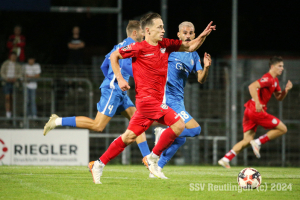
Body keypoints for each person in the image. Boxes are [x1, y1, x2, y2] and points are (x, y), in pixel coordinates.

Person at [88, 13, 216, 184]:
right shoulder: (138, 47)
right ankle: (152, 158)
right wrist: (119, 78)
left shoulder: (165, 45)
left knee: (128, 137)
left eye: (163, 26)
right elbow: (114, 56)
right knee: (178, 125)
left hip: (151, 104)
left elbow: (190, 47)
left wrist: (203, 35)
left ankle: (98, 164)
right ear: (147, 30)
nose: (163, 30)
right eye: (159, 27)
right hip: (148, 101)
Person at [43, 20, 151, 158]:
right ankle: (57, 121)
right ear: (135, 32)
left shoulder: (118, 45)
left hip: (118, 90)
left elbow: (104, 65)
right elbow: (126, 67)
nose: (144, 34)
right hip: (114, 90)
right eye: (142, 31)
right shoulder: (130, 46)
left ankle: (148, 160)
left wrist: (110, 79)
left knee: (139, 121)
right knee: (98, 125)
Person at [148, 21, 212, 179]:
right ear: (178, 35)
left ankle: (156, 169)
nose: (188, 36)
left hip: (179, 99)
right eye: (185, 33)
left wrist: (207, 67)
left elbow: (201, 80)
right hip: (168, 98)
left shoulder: (194, 55)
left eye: (191, 33)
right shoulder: (172, 49)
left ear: (194, 35)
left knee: (180, 138)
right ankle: (163, 133)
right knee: (195, 130)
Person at [218, 56, 293, 168]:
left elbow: (279, 97)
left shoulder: (275, 81)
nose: (282, 68)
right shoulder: (268, 78)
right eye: (279, 66)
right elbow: (252, 86)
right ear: (272, 67)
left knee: (247, 140)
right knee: (283, 128)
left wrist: (286, 91)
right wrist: (258, 102)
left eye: (282, 66)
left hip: (249, 110)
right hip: (256, 110)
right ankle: (258, 142)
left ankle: (226, 159)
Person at [0, 52, 23, 118]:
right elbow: (2, 72)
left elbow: (20, 73)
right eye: (12, 56)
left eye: (14, 56)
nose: (13, 58)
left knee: (13, 98)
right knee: (7, 98)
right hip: (6, 82)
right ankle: (8, 114)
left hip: (14, 83)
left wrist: (15, 78)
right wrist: (6, 78)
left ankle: (13, 113)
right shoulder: (5, 63)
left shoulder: (18, 65)